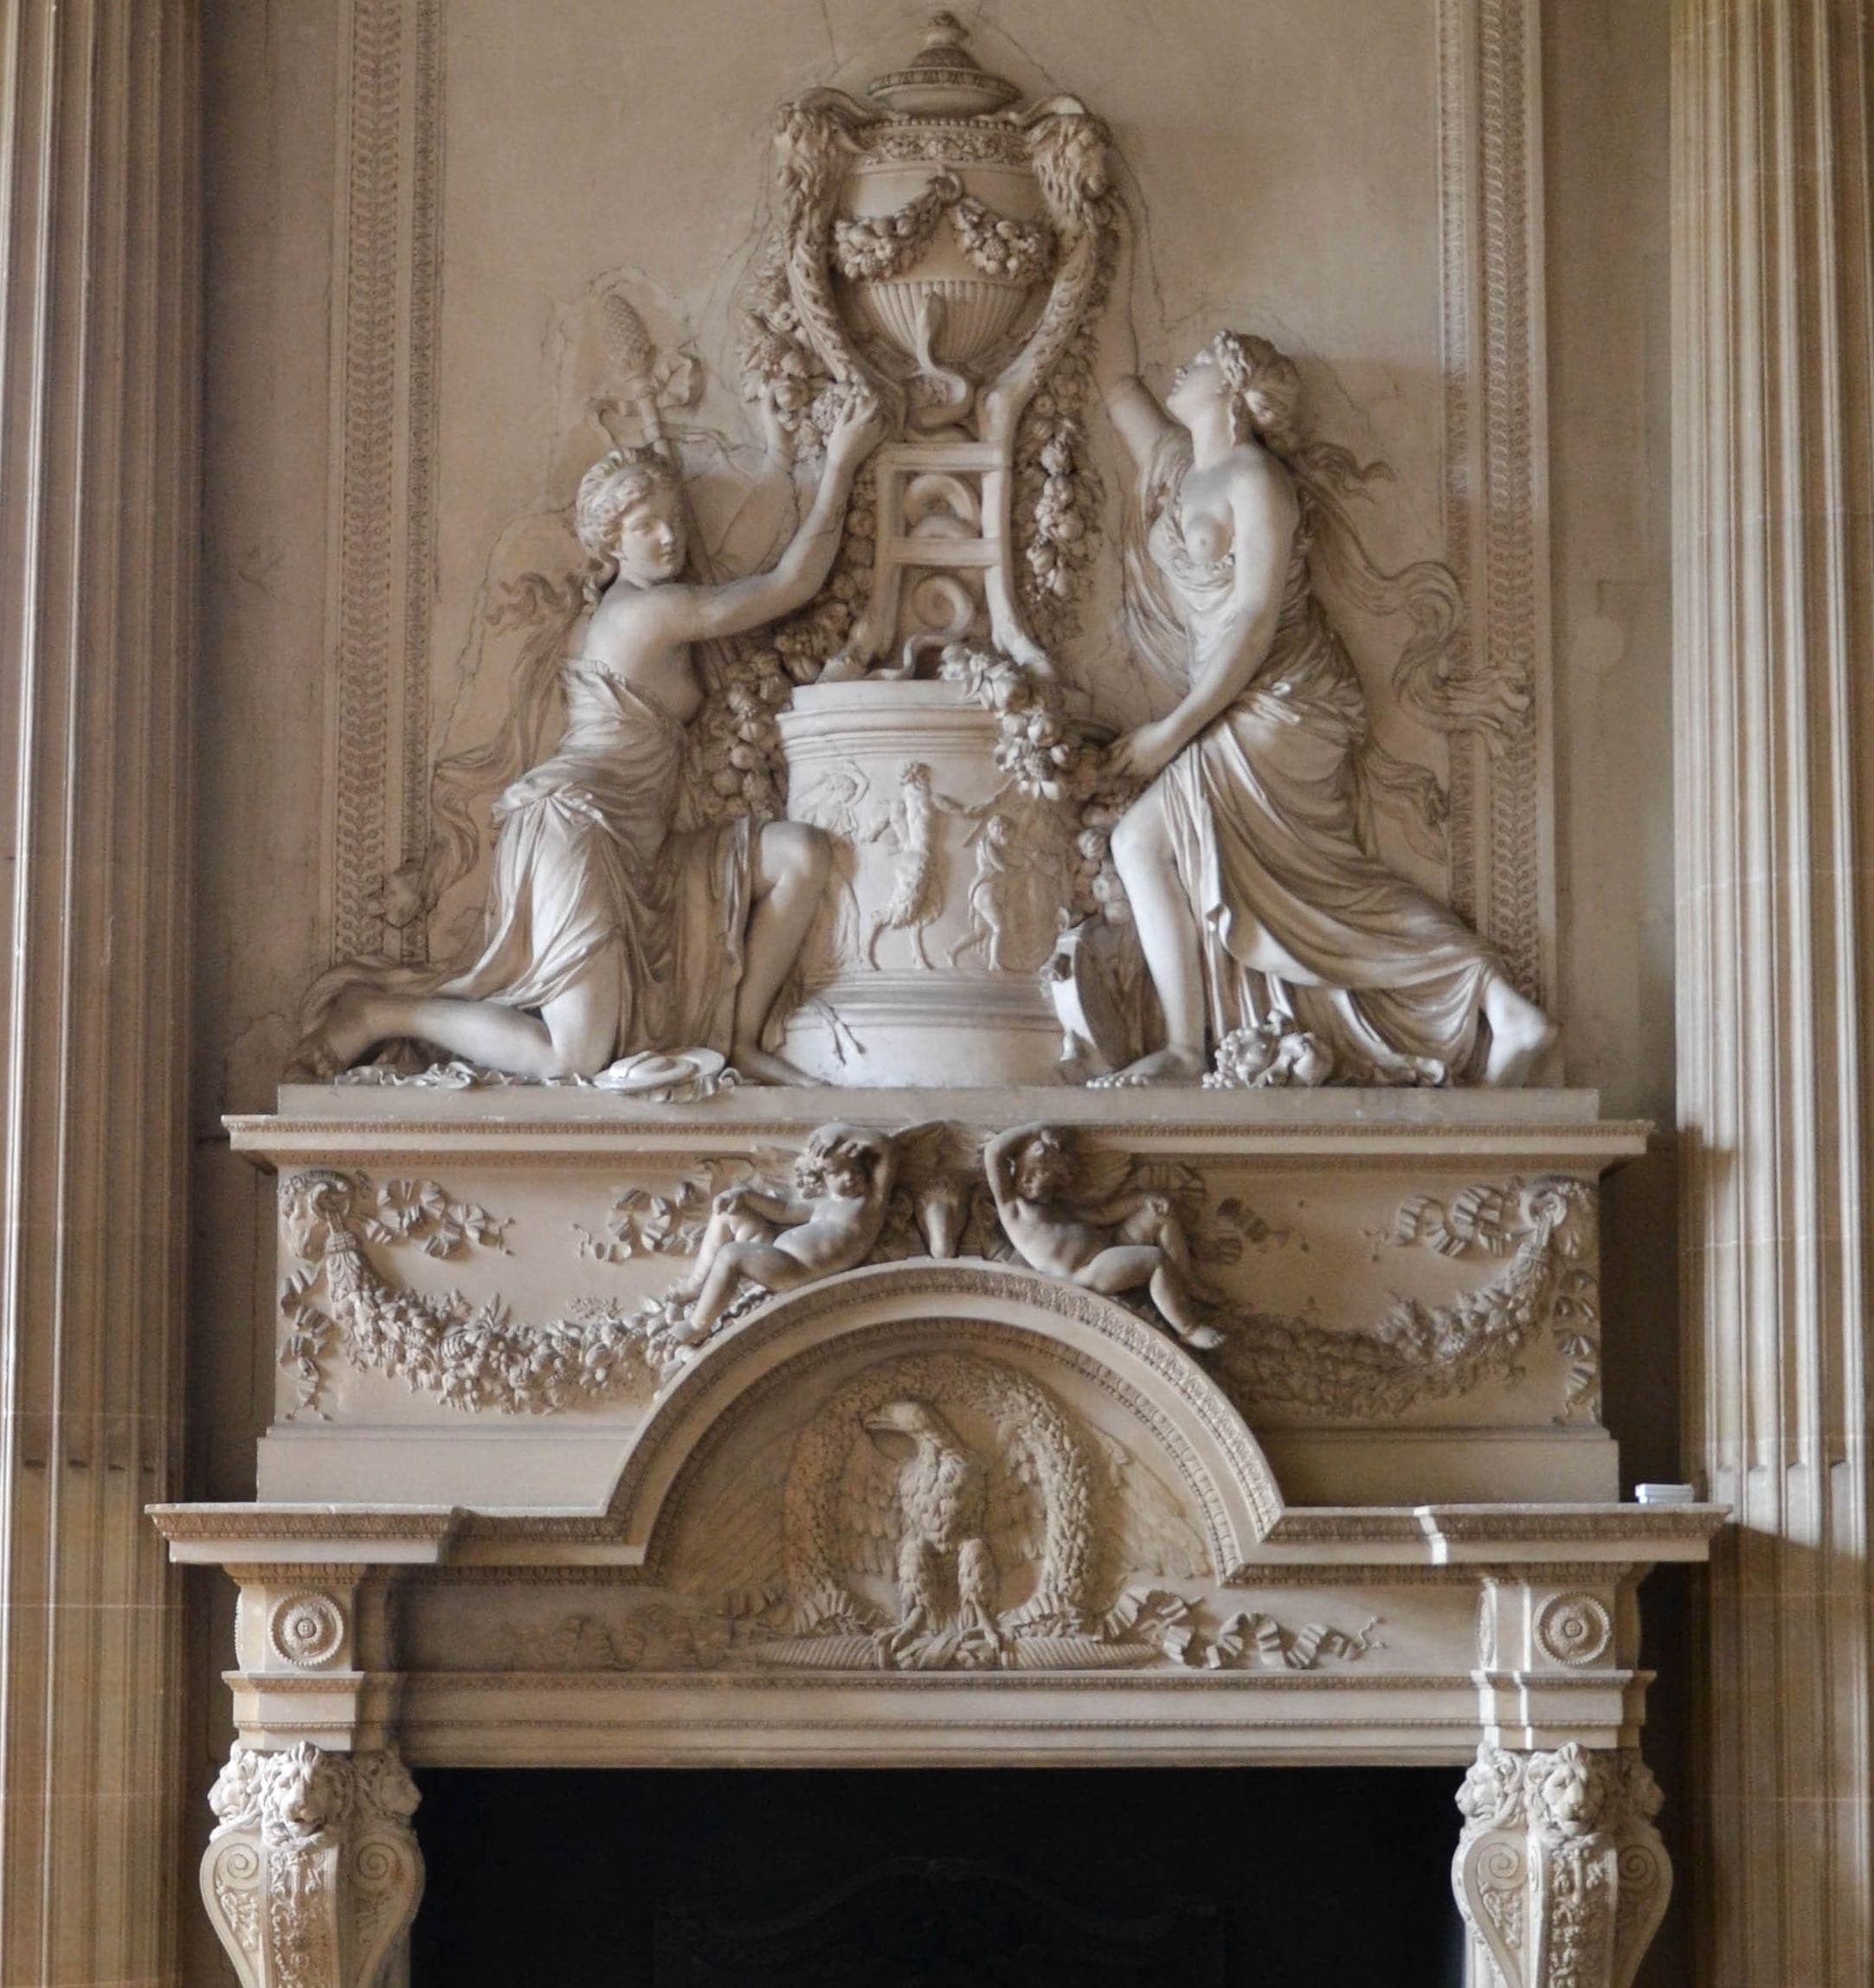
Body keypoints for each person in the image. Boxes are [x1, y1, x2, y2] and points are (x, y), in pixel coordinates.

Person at [1087, 220, 1555, 1087]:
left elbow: (1256, 617)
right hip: (1235, 699)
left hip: (1282, 697)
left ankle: (1488, 997)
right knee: (1260, 870)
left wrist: (1168, 732)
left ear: (1232, 391)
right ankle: (1491, 1006)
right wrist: (1095, 237)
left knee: (1205, 855)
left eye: (1196, 361)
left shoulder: (1257, 480)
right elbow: (1114, 377)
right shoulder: (1174, 467)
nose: (1177, 369)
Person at [299, 393, 884, 1084]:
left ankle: (742, 1036)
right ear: (610, 541)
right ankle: (378, 1013)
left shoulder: (648, 602)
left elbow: (751, 582)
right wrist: (841, 462)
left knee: (800, 852)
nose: (667, 537)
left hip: (648, 849)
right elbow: (788, 584)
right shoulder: (647, 614)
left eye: (672, 520)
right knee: (575, 1056)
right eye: (643, 526)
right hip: (582, 829)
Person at [983, 1123, 1223, 1349]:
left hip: (1112, 1246)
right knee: (1155, 1260)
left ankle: (1188, 1281)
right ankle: (1189, 1329)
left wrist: (1145, 1199)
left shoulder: (1059, 1207)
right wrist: (1035, 1128)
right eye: (1029, 1174)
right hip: (1089, 1271)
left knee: (1159, 1215)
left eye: (1043, 1173)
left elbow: (1103, 1214)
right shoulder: (1013, 1209)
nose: (1030, 1181)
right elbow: (993, 1153)